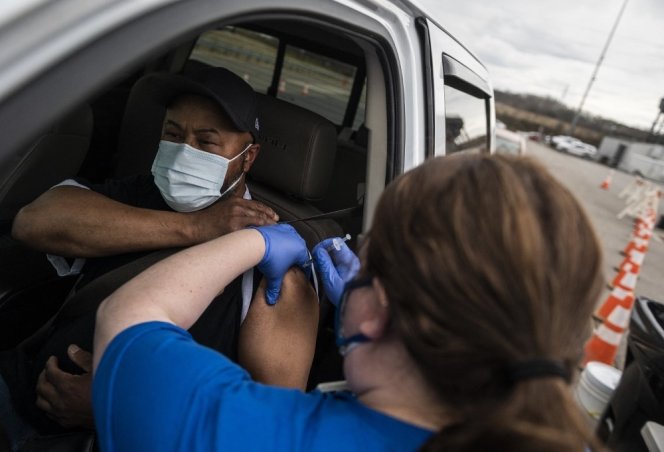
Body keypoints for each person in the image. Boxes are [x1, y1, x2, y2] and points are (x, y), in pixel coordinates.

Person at [91, 153, 607, 451]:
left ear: (377, 307)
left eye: (368, 260)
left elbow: (130, 317)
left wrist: (256, 241)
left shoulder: (252, 436)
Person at [0, 67, 318, 448]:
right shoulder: (141, 192)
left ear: (248, 157)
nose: (183, 153)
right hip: (16, 390)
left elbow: (271, 426)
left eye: (207, 143)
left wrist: (123, 408)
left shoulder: (275, 271)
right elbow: (34, 221)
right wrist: (194, 227)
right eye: (173, 134)